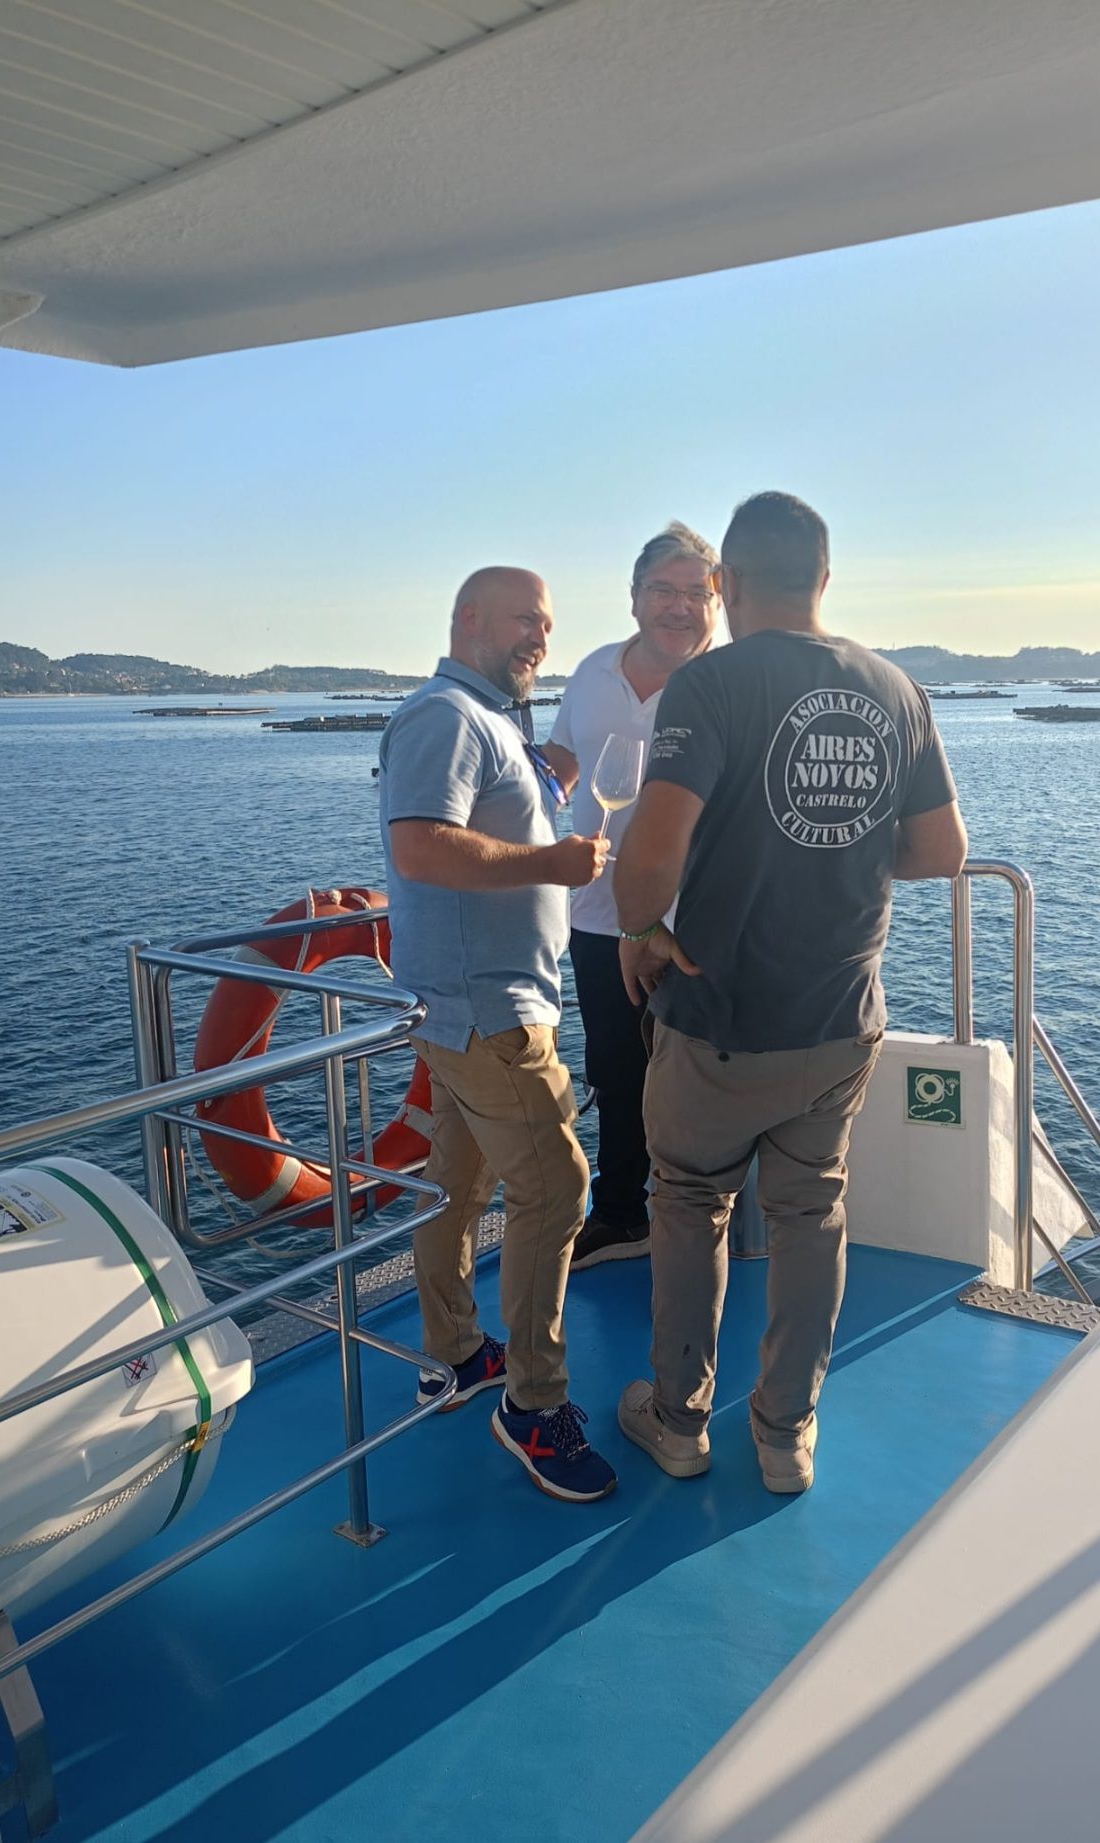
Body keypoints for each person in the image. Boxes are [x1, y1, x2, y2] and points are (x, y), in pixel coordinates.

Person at [612, 494, 968, 1495]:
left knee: (688, 1204)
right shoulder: (894, 688)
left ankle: (680, 1422)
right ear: (823, 575)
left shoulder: (707, 685)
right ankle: (785, 1433)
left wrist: (643, 929)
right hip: (837, 1019)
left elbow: (648, 856)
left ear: (723, 583)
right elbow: (941, 852)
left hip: (718, 1017)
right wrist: (842, 854)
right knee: (811, 1215)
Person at [378, 566, 618, 1503]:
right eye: (525, 619)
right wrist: (555, 858)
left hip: (458, 1010)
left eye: (548, 625)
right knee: (558, 1188)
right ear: (468, 618)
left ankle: (457, 1353)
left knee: (457, 1185)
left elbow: (465, 828)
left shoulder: (488, 722)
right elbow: (421, 845)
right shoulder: (449, 715)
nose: (539, 637)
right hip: (492, 1015)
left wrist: (539, 784)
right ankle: (533, 1407)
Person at [542, 522, 720, 1269]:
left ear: (718, 599)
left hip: (698, 917)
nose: (678, 607)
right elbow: (559, 765)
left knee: (704, 1074)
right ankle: (622, 1214)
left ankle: (707, 1221)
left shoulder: (732, 679)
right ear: (635, 597)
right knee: (616, 1069)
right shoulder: (590, 671)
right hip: (598, 915)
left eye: (695, 593)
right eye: (663, 591)